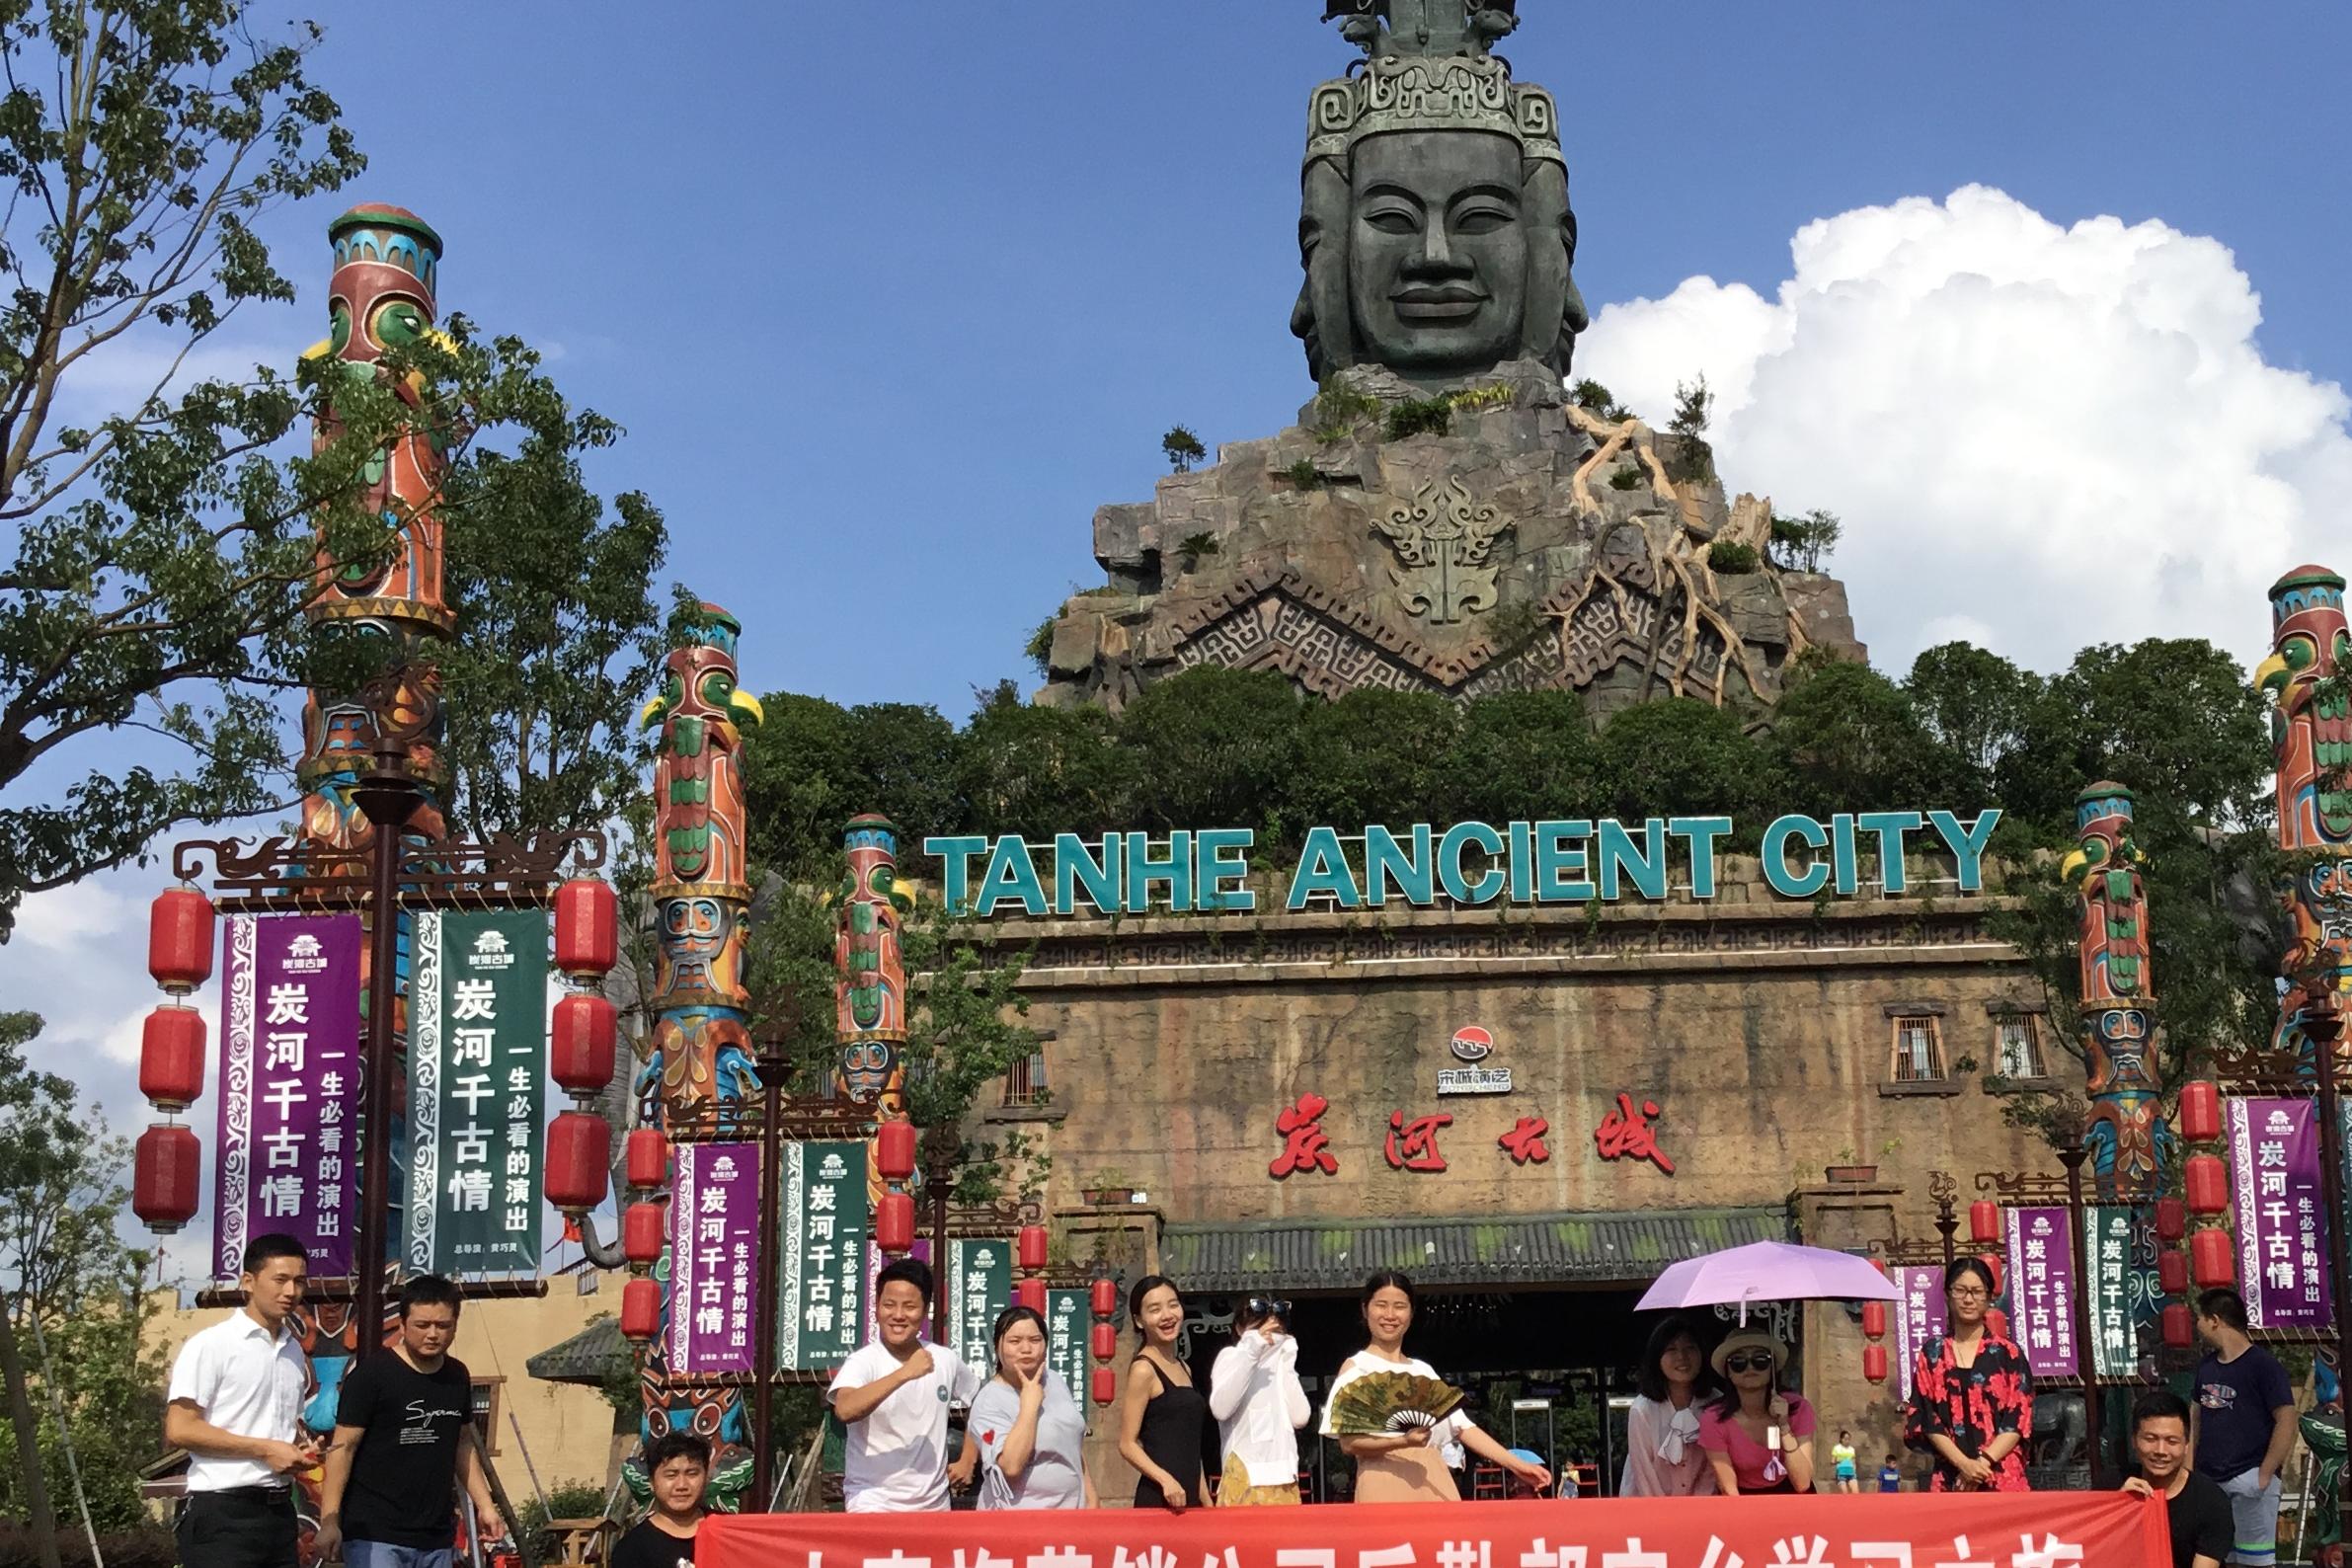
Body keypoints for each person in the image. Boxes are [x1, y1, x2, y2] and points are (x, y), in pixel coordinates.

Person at [316, 1274, 503, 1567]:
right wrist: (330, 1520)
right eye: (422, 1325)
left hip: (436, 1537)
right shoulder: (372, 1376)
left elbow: (462, 1444)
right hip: (375, 1535)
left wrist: (486, 1507)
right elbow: (343, 1448)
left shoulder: (457, 1376)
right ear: (402, 1324)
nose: (432, 1334)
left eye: (443, 1325)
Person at [1319, 1271, 1549, 1503]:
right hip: (1382, 1480)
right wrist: (1403, 1441)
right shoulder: (1357, 1368)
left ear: (1411, 1313)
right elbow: (1349, 1444)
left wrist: (1518, 1465)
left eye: (1399, 1306)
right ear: (1365, 1309)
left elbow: (1464, 1428)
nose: (1390, 1315)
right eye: (1381, 1305)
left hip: (1434, 1479)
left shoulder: (1423, 1371)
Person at [163, 1233, 320, 1568]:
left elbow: (281, 1431)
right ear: (248, 1281)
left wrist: (300, 1450)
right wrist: (266, 1449)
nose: (291, 1292)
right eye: (280, 1280)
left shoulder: (293, 1350)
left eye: (299, 1281)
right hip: (222, 1515)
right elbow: (179, 1429)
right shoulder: (211, 1345)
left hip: (280, 1513)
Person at [827, 1258, 981, 1512]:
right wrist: (904, 1373)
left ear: (925, 1310)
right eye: (889, 1305)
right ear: (877, 1307)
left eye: (909, 1306)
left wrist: (968, 1458)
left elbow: (980, 1402)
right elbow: (845, 1409)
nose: (898, 1315)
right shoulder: (863, 1361)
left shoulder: (945, 1359)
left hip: (934, 1506)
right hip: (872, 1503)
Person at [1904, 1256, 2032, 1492]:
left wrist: (1982, 1463)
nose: (1968, 1299)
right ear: (1947, 1294)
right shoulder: (1933, 1353)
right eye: (1960, 1290)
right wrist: (1964, 1464)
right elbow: (1927, 1418)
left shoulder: (2008, 1353)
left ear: (1989, 1297)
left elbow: (2017, 1419)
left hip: (2001, 1474)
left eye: (1976, 1291)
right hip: (1951, 1477)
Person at [2190, 1287, 2298, 1568]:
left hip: (2250, 1478)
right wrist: (2189, 1473)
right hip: (2210, 1483)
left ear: (2214, 1320)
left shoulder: (2264, 1366)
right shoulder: (2206, 1367)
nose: (2197, 1326)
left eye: (2199, 1318)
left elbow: (2286, 1418)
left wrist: (2264, 1473)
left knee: (2255, 1562)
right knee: (2215, 1558)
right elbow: (2195, 1419)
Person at [968, 1305, 1095, 1510]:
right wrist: (1029, 1406)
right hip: (1020, 1523)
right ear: (997, 1346)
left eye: (1035, 1340)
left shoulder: (1054, 1380)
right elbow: (1010, 1466)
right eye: (1014, 1341)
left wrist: (1091, 1496)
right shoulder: (988, 1400)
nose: (1026, 1349)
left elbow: (1072, 1444)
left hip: (1070, 1517)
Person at [1208, 1296, 1310, 1507]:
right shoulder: (1231, 1356)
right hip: (1245, 1475)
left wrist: (1287, 1362)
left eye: (1276, 1329)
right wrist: (1253, 1349)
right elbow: (1220, 1408)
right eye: (1260, 1327)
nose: (1269, 1335)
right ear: (1239, 1328)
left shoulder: (1280, 1366)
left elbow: (1301, 1417)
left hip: (1285, 1478)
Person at [1118, 1275, 1208, 1511]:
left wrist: (1206, 1501)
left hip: (1190, 1501)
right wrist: (1165, 1480)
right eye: (1155, 1309)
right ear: (1139, 1320)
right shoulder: (1143, 1369)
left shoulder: (1184, 1367)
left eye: (1173, 1304)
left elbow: (1189, 1447)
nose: (1167, 1315)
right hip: (1159, 1500)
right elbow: (1127, 1444)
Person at [1698, 1328, 1816, 1495]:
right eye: (1738, 1362)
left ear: (1773, 1368)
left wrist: (1784, 1427)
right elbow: (1727, 1487)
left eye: (1761, 1359)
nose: (1750, 1367)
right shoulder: (1713, 1418)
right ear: (1728, 1372)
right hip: (1743, 1499)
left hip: (1794, 1497)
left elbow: (1802, 1483)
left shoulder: (1798, 1407)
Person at [2126, 1390, 2234, 1568]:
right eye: (2150, 1439)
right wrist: (2119, 1505)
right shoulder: (2111, 1485)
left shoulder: (2211, 1502)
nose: (2160, 1450)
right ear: (2134, 1441)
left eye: (2172, 1441)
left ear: (2186, 1445)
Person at [1618, 1314, 1721, 1497]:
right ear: (1657, 1358)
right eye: (1671, 1349)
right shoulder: (1642, 1409)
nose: (1682, 1357)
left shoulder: (1716, 1403)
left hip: (1702, 1509)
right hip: (1647, 1506)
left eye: (1690, 1348)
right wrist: (1664, 1514)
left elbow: (1713, 1468)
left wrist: (1697, 1509)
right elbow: (1644, 1472)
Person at [609, 1432, 711, 1568]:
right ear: (652, 1482)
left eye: (692, 1474)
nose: (681, 1485)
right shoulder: (632, 1549)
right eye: (671, 1475)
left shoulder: (728, 1531)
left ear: (706, 1477)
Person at [1831, 1428, 1859, 1493]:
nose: (1847, 1441)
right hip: (1841, 1473)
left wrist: (1854, 1471)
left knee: (1856, 1491)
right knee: (1844, 1493)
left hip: (1851, 1473)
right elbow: (1832, 1461)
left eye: (1849, 1439)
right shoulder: (1836, 1448)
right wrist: (1838, 1461)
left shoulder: (1852, 1449)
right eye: (1845, 1439)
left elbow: (1854, 1462)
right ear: (1841, 1439)